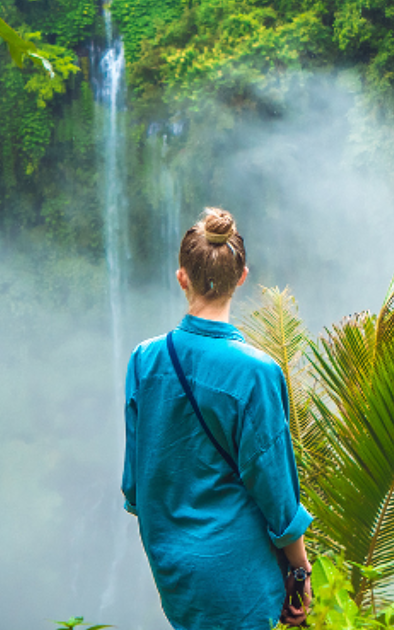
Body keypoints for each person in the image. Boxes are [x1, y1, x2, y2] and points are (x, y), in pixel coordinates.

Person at [123, 207, 314, 630]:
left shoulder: (144, 360)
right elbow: (277, 494)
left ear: (182, 277)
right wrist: (299, 571)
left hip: (175, 575)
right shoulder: (257, 373)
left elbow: (135, 488)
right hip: (240, 577)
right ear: (242, 277)